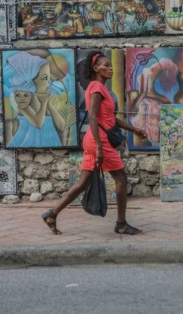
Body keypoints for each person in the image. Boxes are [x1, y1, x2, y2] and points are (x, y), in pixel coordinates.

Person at [42, 51, 148, 235]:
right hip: (99, 140)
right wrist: (100, 147)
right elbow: (92, 116)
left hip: (93, 138)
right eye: (106, 65)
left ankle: (51, 214)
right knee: (121, 179)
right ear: (96, 67)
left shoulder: (98, 87)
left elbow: (109, 119)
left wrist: (134, 129)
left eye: (110, 65)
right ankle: (121, 224)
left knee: (82, 183)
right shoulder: (97, 88)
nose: (110, 68)